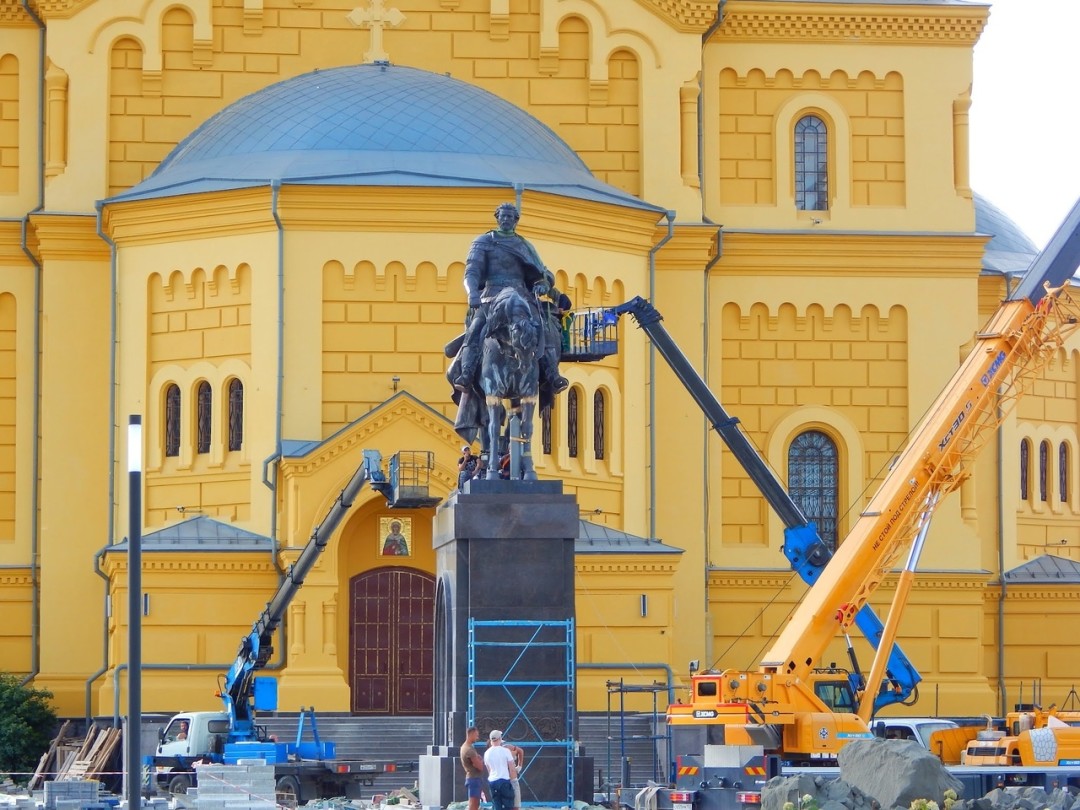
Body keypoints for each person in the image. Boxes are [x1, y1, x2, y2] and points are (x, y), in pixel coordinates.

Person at [452, 203, 568, 395]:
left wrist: (542, 284)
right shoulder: (483, 242)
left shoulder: (524, 245)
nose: (506, 220)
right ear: (497, 218)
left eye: (510, 217)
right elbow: (472, 271)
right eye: (502, 216)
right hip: (491, 297)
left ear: (516, 221)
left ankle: (553, 375)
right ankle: (466, 374)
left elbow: (543, 273)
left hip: (522, 297)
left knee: (543, 327)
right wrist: (472, 292)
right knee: (475, 330)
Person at [483, 729, 518, 810]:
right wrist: (514, 782)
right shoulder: (506, 751)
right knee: (508, 805)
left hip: (492, 782)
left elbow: (489, 770)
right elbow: (512, 769)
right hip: (504, 781)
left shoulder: (486, 753)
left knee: (496, 806)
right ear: (499, 739)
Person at [460, 726, 486, 810]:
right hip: (474, 779)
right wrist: (480, 760)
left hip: (473, 778)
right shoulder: (469, 750)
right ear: (471, 734)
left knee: (476, 803)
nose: (477, 738)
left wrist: (479, 760)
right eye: (476, 735)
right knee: (473, 804)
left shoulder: (466, 747)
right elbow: (480, 766)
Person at [503, 739, 525, 810]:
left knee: (516, 804)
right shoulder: (492, 751)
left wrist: (519, 766)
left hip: (512, 779)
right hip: (502, 780)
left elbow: (520, 751)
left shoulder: (507, 747)